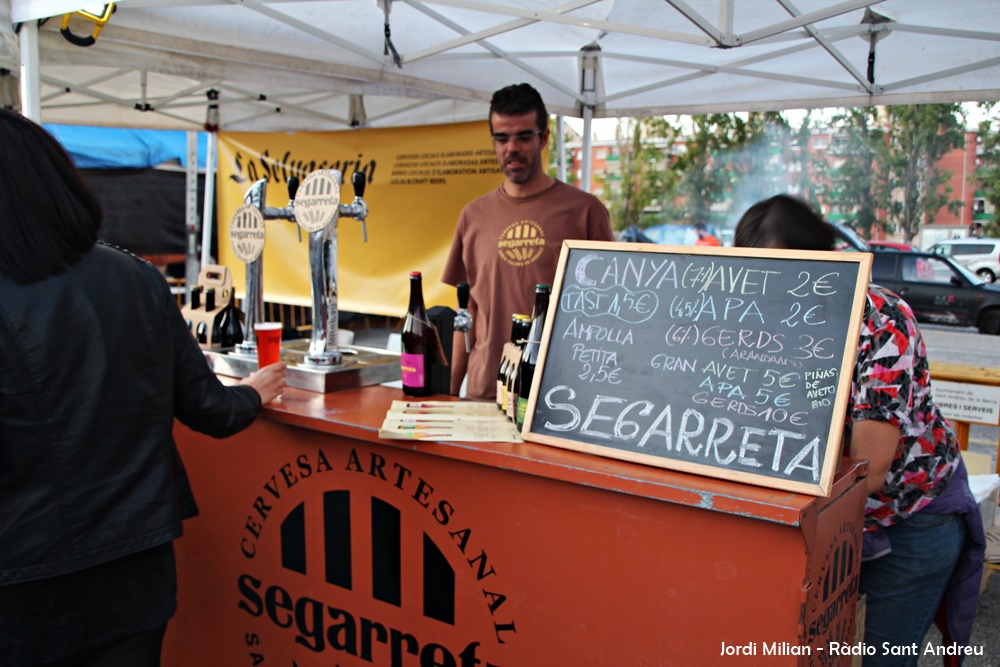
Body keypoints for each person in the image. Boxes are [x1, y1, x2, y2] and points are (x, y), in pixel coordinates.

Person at [0, 109, 287, 666]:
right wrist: (254, 391)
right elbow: (210, 409)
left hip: (22, 578)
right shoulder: (133, 276)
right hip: (134, 566)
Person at [734, 195, 985, 666]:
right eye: (760, 273)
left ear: (828, 261)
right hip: (816, 520)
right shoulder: (749, 318)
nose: (774, 288)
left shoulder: (881, 319)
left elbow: (869, 467)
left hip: (908, 516)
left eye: (789, 273)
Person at [442, 83, 614, 401]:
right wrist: (450, 394)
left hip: (558, 394)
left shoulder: (585, 212)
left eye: (523, 137)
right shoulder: (473, 215)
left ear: (544, 138)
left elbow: (608, 313)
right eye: (502, 138)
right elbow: (466, 312)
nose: (512, 148)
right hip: (486, 390)